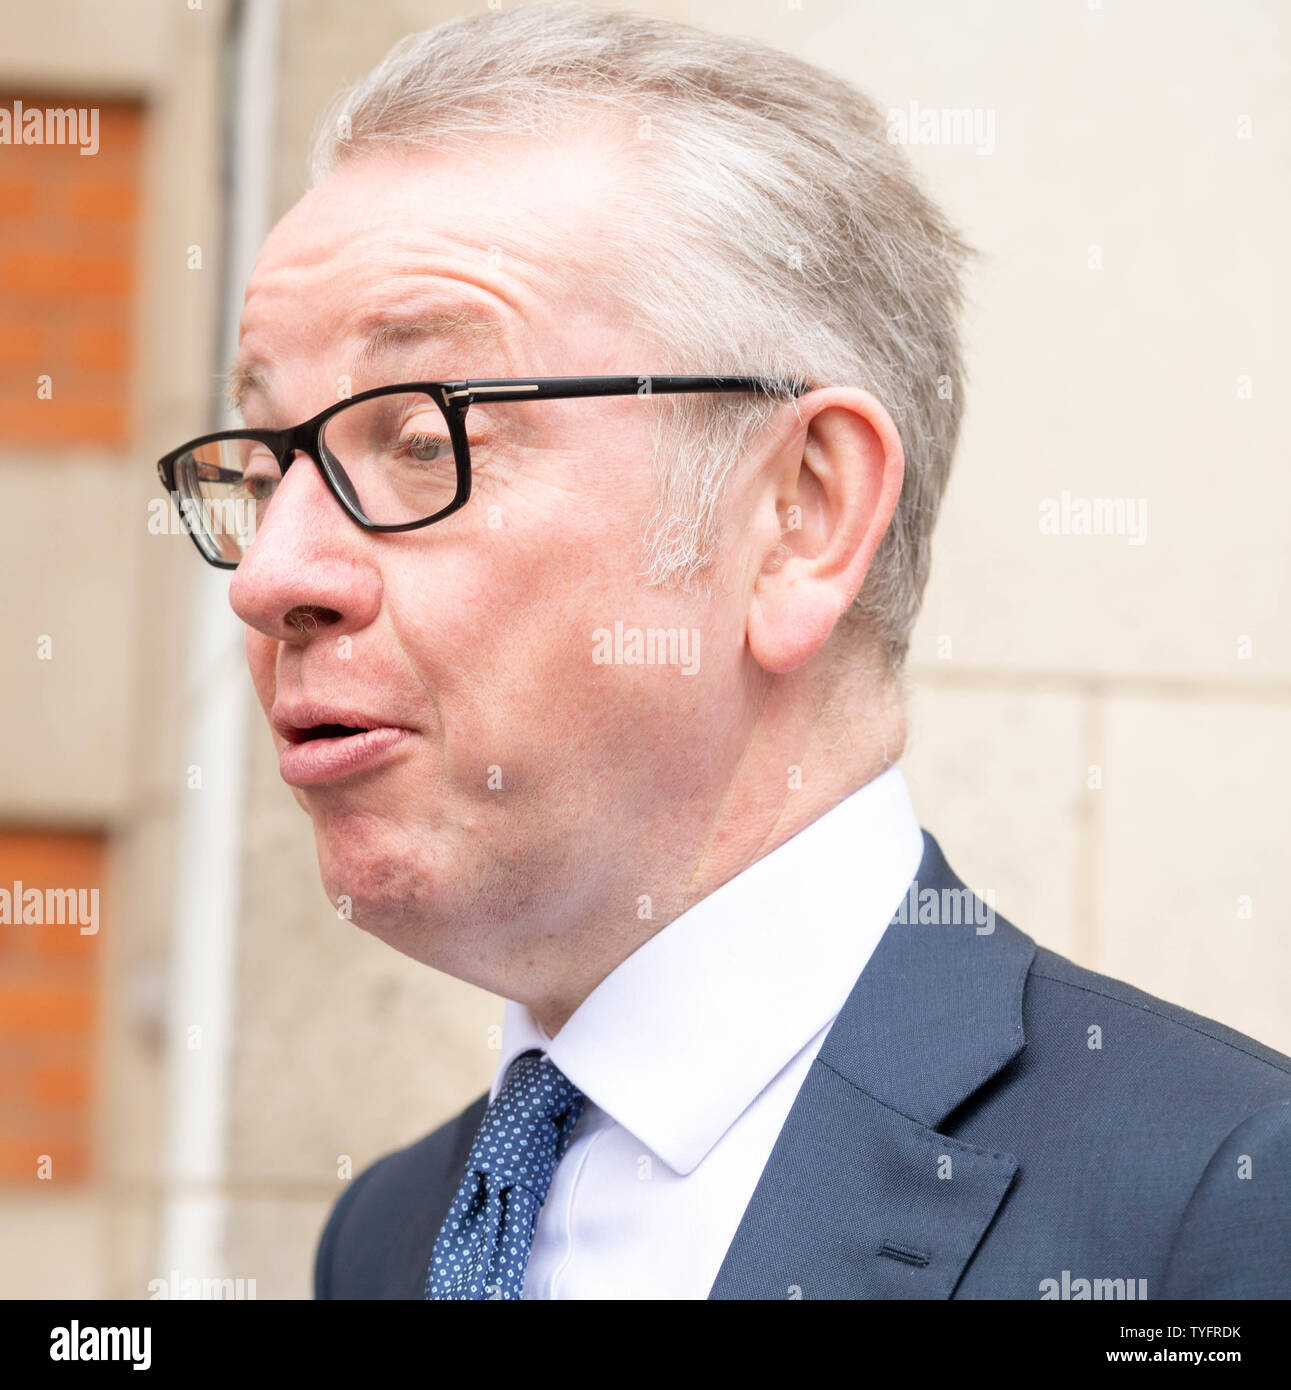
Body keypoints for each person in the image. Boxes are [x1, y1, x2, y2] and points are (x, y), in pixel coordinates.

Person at [156, 4, 1291, 1299]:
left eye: (421, 439)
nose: (270, 576)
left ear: (799, 515)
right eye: (261, 465)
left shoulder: (1218, 1211)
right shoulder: (387, 1235)